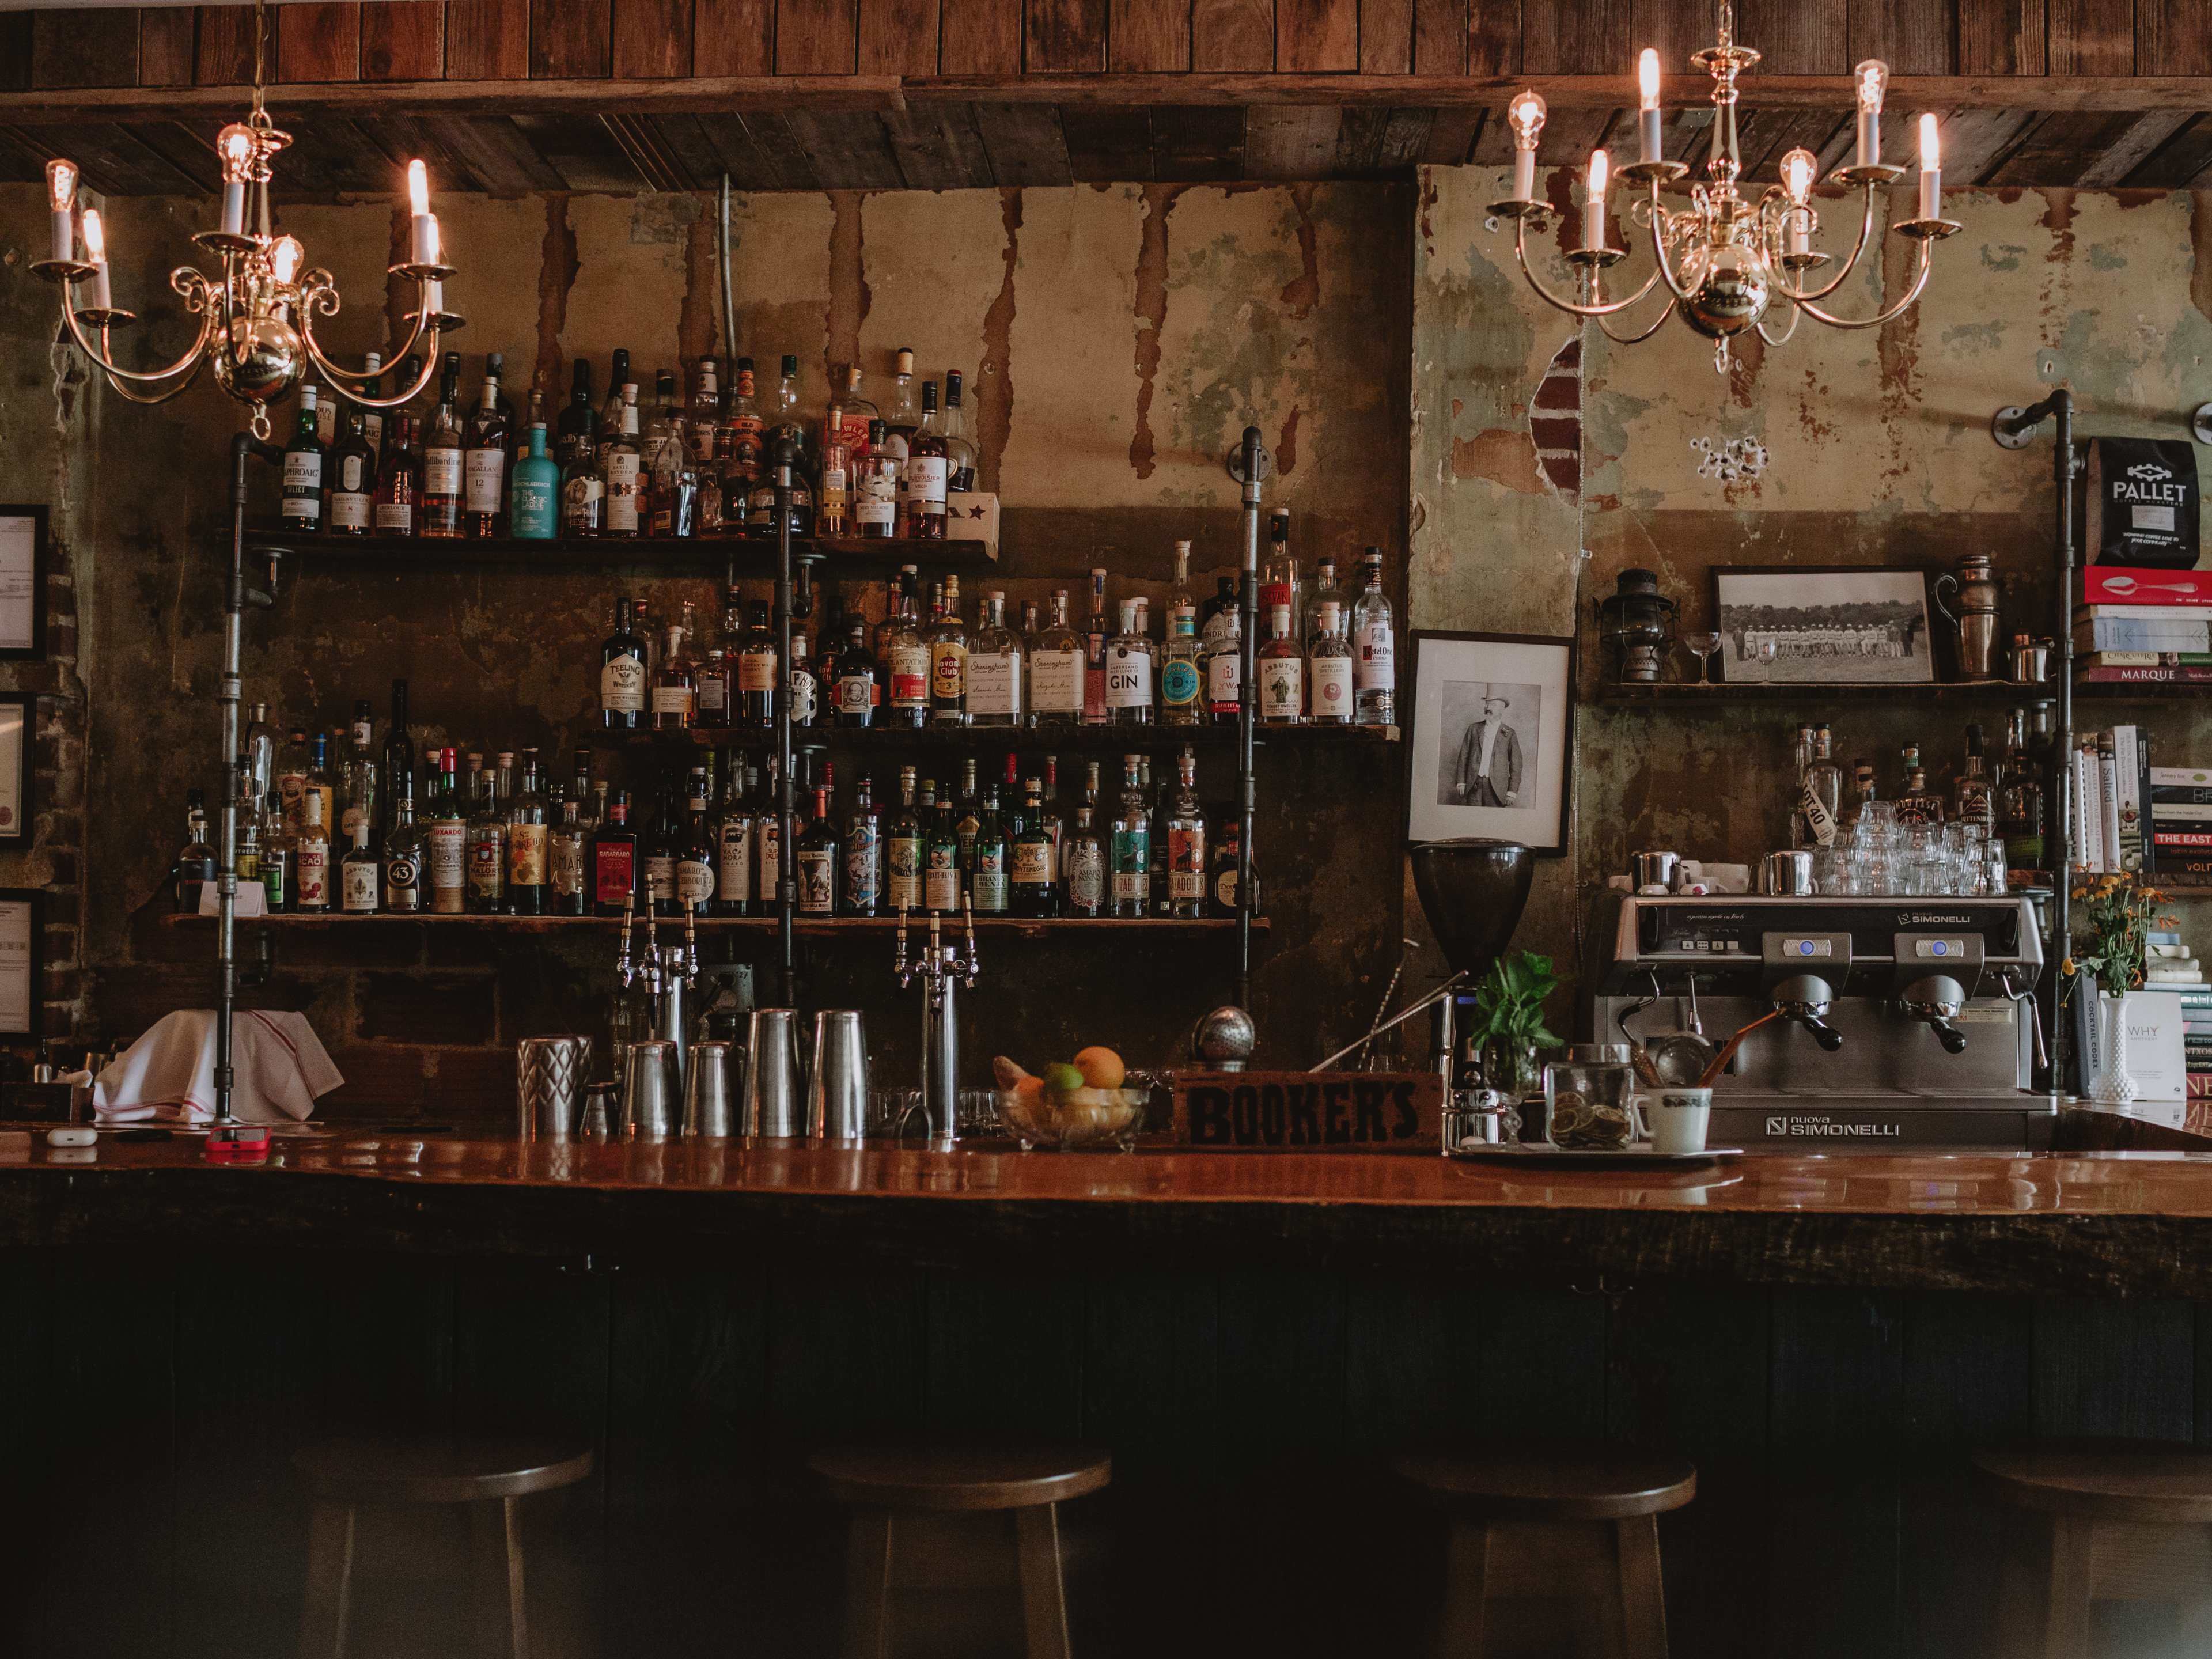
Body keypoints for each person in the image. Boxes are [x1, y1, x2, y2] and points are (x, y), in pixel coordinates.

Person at [1453, 691, 1522, 808]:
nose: (1488, 708)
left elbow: (1517, 764)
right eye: (1487, 704)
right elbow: (1463, 756)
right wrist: (1461, 782)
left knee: (1493, 822)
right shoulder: (1474, 729)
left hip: (1497, 789)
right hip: (1473, 785)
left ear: (1502, 710)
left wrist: (1512, 792)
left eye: (1493, 705)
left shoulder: (1510, 734)